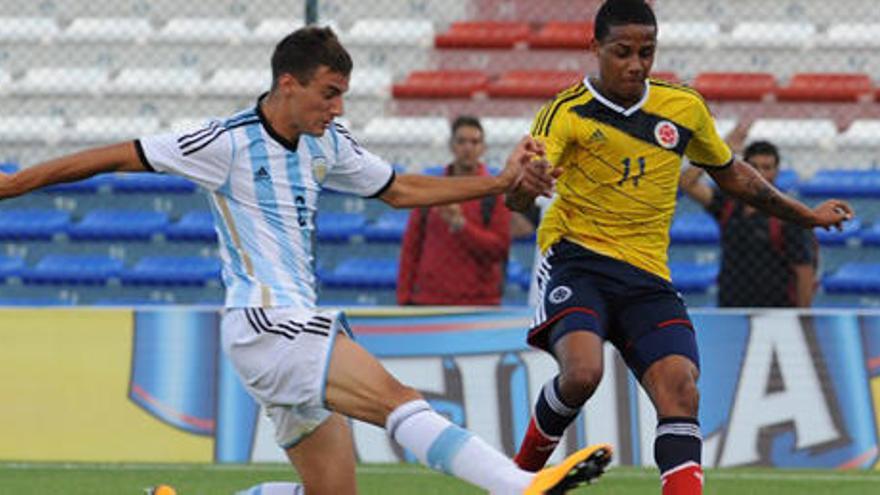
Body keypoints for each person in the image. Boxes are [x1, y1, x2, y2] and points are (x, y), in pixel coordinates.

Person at [0, 26, 613, 494]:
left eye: (342, 94)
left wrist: (498, 183)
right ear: (288, 84)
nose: (338, 107)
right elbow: (113, 156)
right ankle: (518, 485)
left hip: (290, 329)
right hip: (269, 324)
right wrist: (14, 183)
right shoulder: (225, 142)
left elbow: (400, 190)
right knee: (398, 398)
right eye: (330, 93)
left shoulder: (328, 144)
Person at [503, 1, 853, 494]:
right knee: (582, 373)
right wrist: (526, 183)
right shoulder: (564, 114)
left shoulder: (682, 108)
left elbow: (733, 174)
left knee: (681, 391)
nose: (635, 64)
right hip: (576, 261)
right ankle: (516, 479)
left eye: (646, 52)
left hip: (647, 276)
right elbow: (519, 192)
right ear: (595, 48)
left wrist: (807, 214)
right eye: (622, 52)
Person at [679, 139, 818, 307]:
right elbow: (687, 183)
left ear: (777, 171)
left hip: (777, 310)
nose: (760, 174)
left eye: (767, 168)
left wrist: (802, 316)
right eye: (754, 167)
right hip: (731, 306)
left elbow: (804, 270)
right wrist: (722, 151)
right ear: (743, 168)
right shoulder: (728, 204)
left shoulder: (787, 214)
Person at [397, 115, 511, 306]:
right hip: (429, 300)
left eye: (474, 142)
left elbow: (500, 249)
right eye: (461, 141)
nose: (468, 148)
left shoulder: (493, 193)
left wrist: (462, 227)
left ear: (483, 148)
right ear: (451, 145)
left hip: (478, 303)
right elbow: (411, 247)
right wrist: (404, 298)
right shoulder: (432, 189)